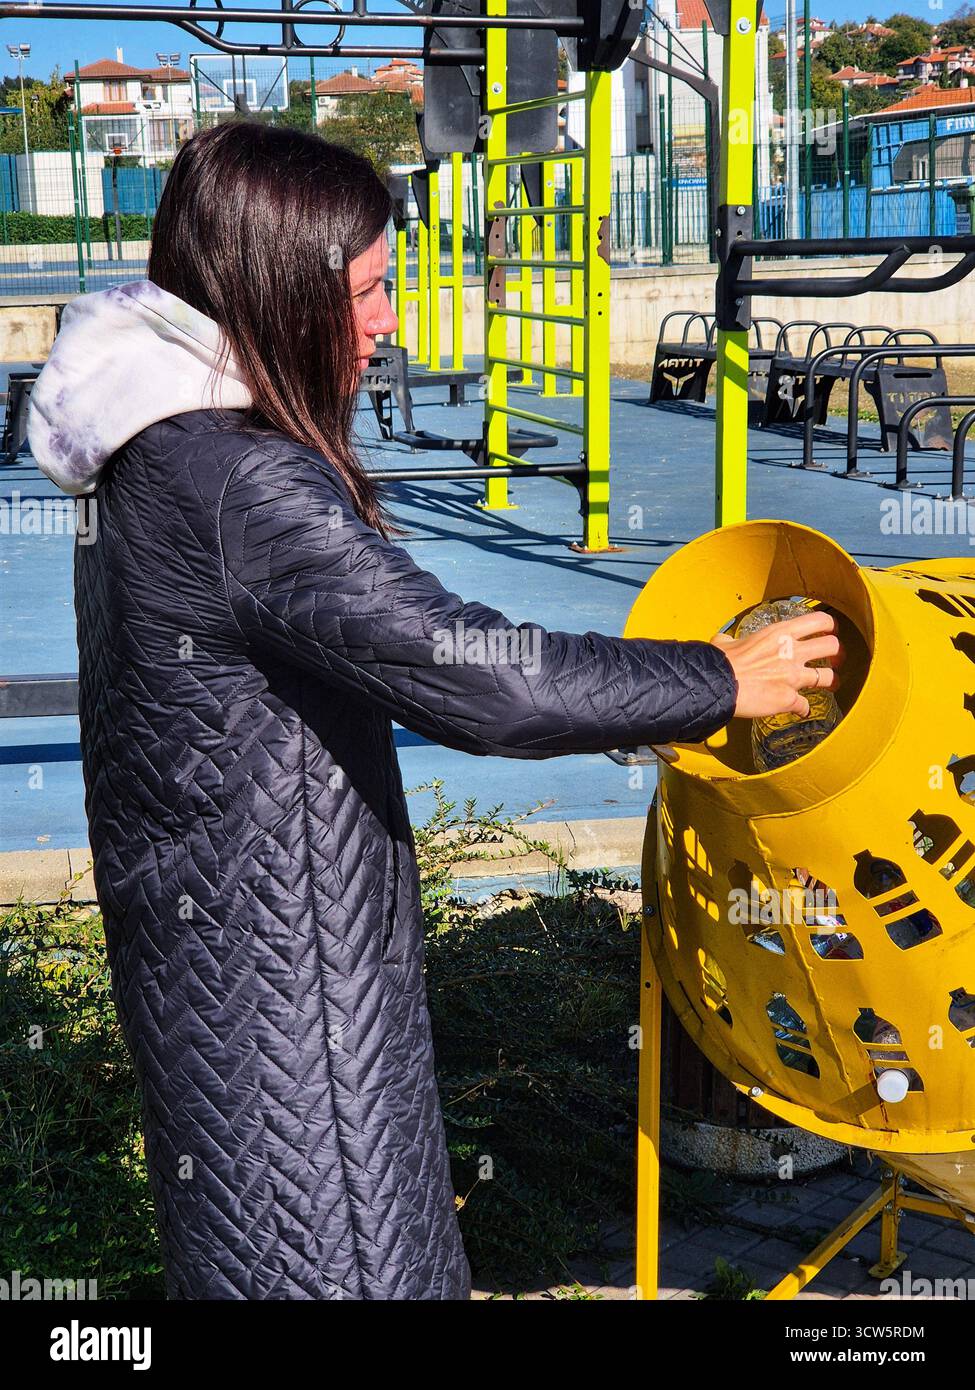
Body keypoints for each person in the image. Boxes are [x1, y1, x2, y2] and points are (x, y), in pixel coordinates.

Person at [27, 122, 840, 1302]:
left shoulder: (138, 444)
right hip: (294, 1015)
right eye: (366, 290)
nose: (389, 320)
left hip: (210, 980)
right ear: (279, 291)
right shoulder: (239, 480)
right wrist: (717, 679)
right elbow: (483, 675)